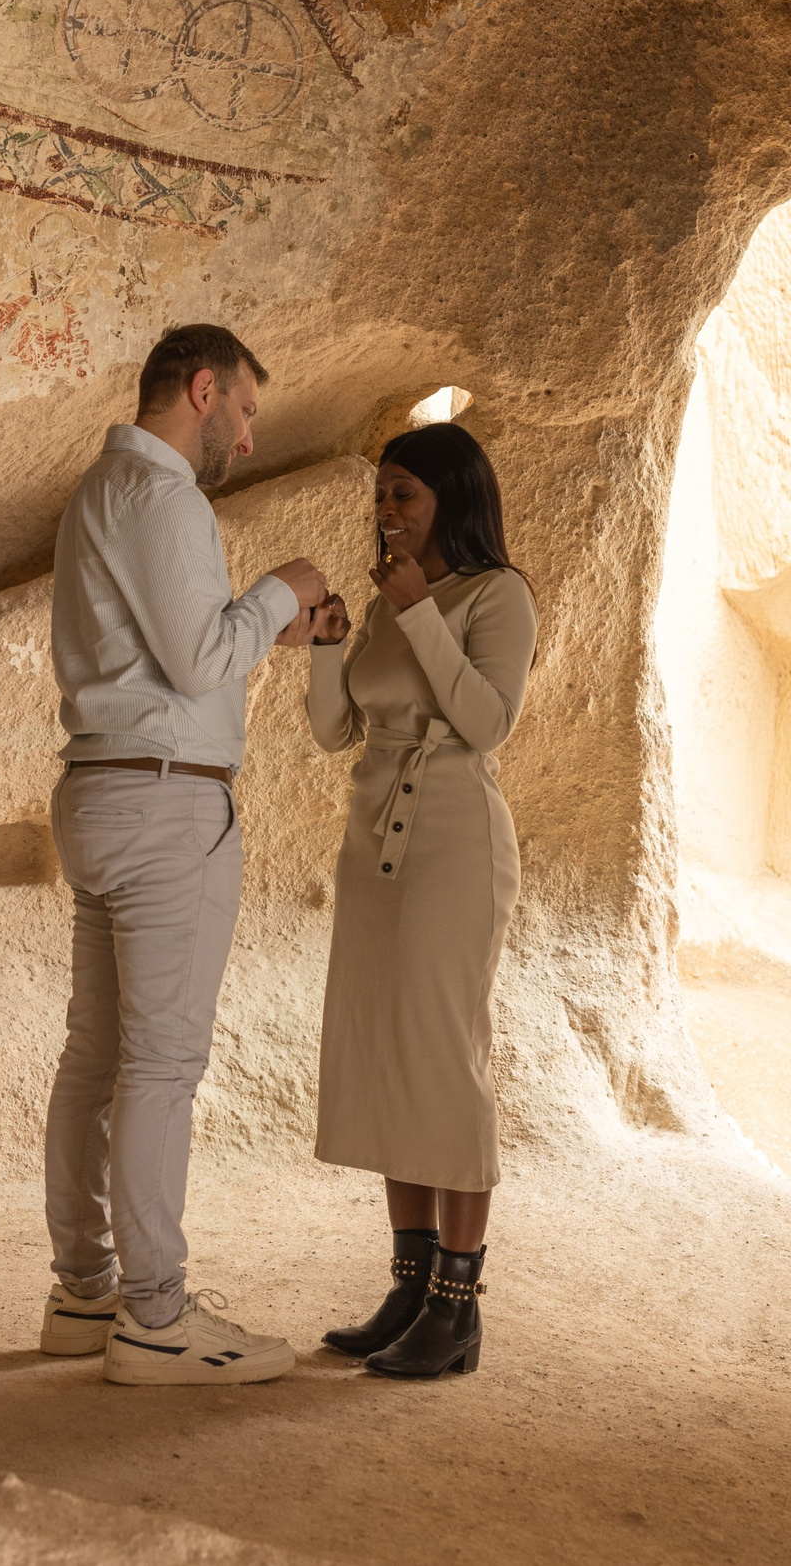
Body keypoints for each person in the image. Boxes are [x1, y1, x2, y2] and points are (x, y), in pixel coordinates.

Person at [37, 323, 329, 1386]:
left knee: (95, 1059)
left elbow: (172, 651)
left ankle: (85, 1292)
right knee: (159, 1067)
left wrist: (259, 627)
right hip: (164, 808)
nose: (247, 439)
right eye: (245, 411)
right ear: (202, 389)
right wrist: (284, 589)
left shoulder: (95, 492)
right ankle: (156, 1315)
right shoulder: (164, 497)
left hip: (101, 788)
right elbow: (202, 654)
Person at [303, 421, 537, 1380]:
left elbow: (487, 723)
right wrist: (326, 646)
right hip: (373, 845)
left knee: (445, 1060)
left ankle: (457, 1303)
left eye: (404, 494)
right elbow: (333, 731)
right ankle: (407, 1286)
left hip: (453, 844)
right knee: (388, 1056)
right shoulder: (384, 598)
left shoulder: (498, 595)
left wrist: (421, 614)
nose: (387, 511)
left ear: (451, 496)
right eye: (382, 497)